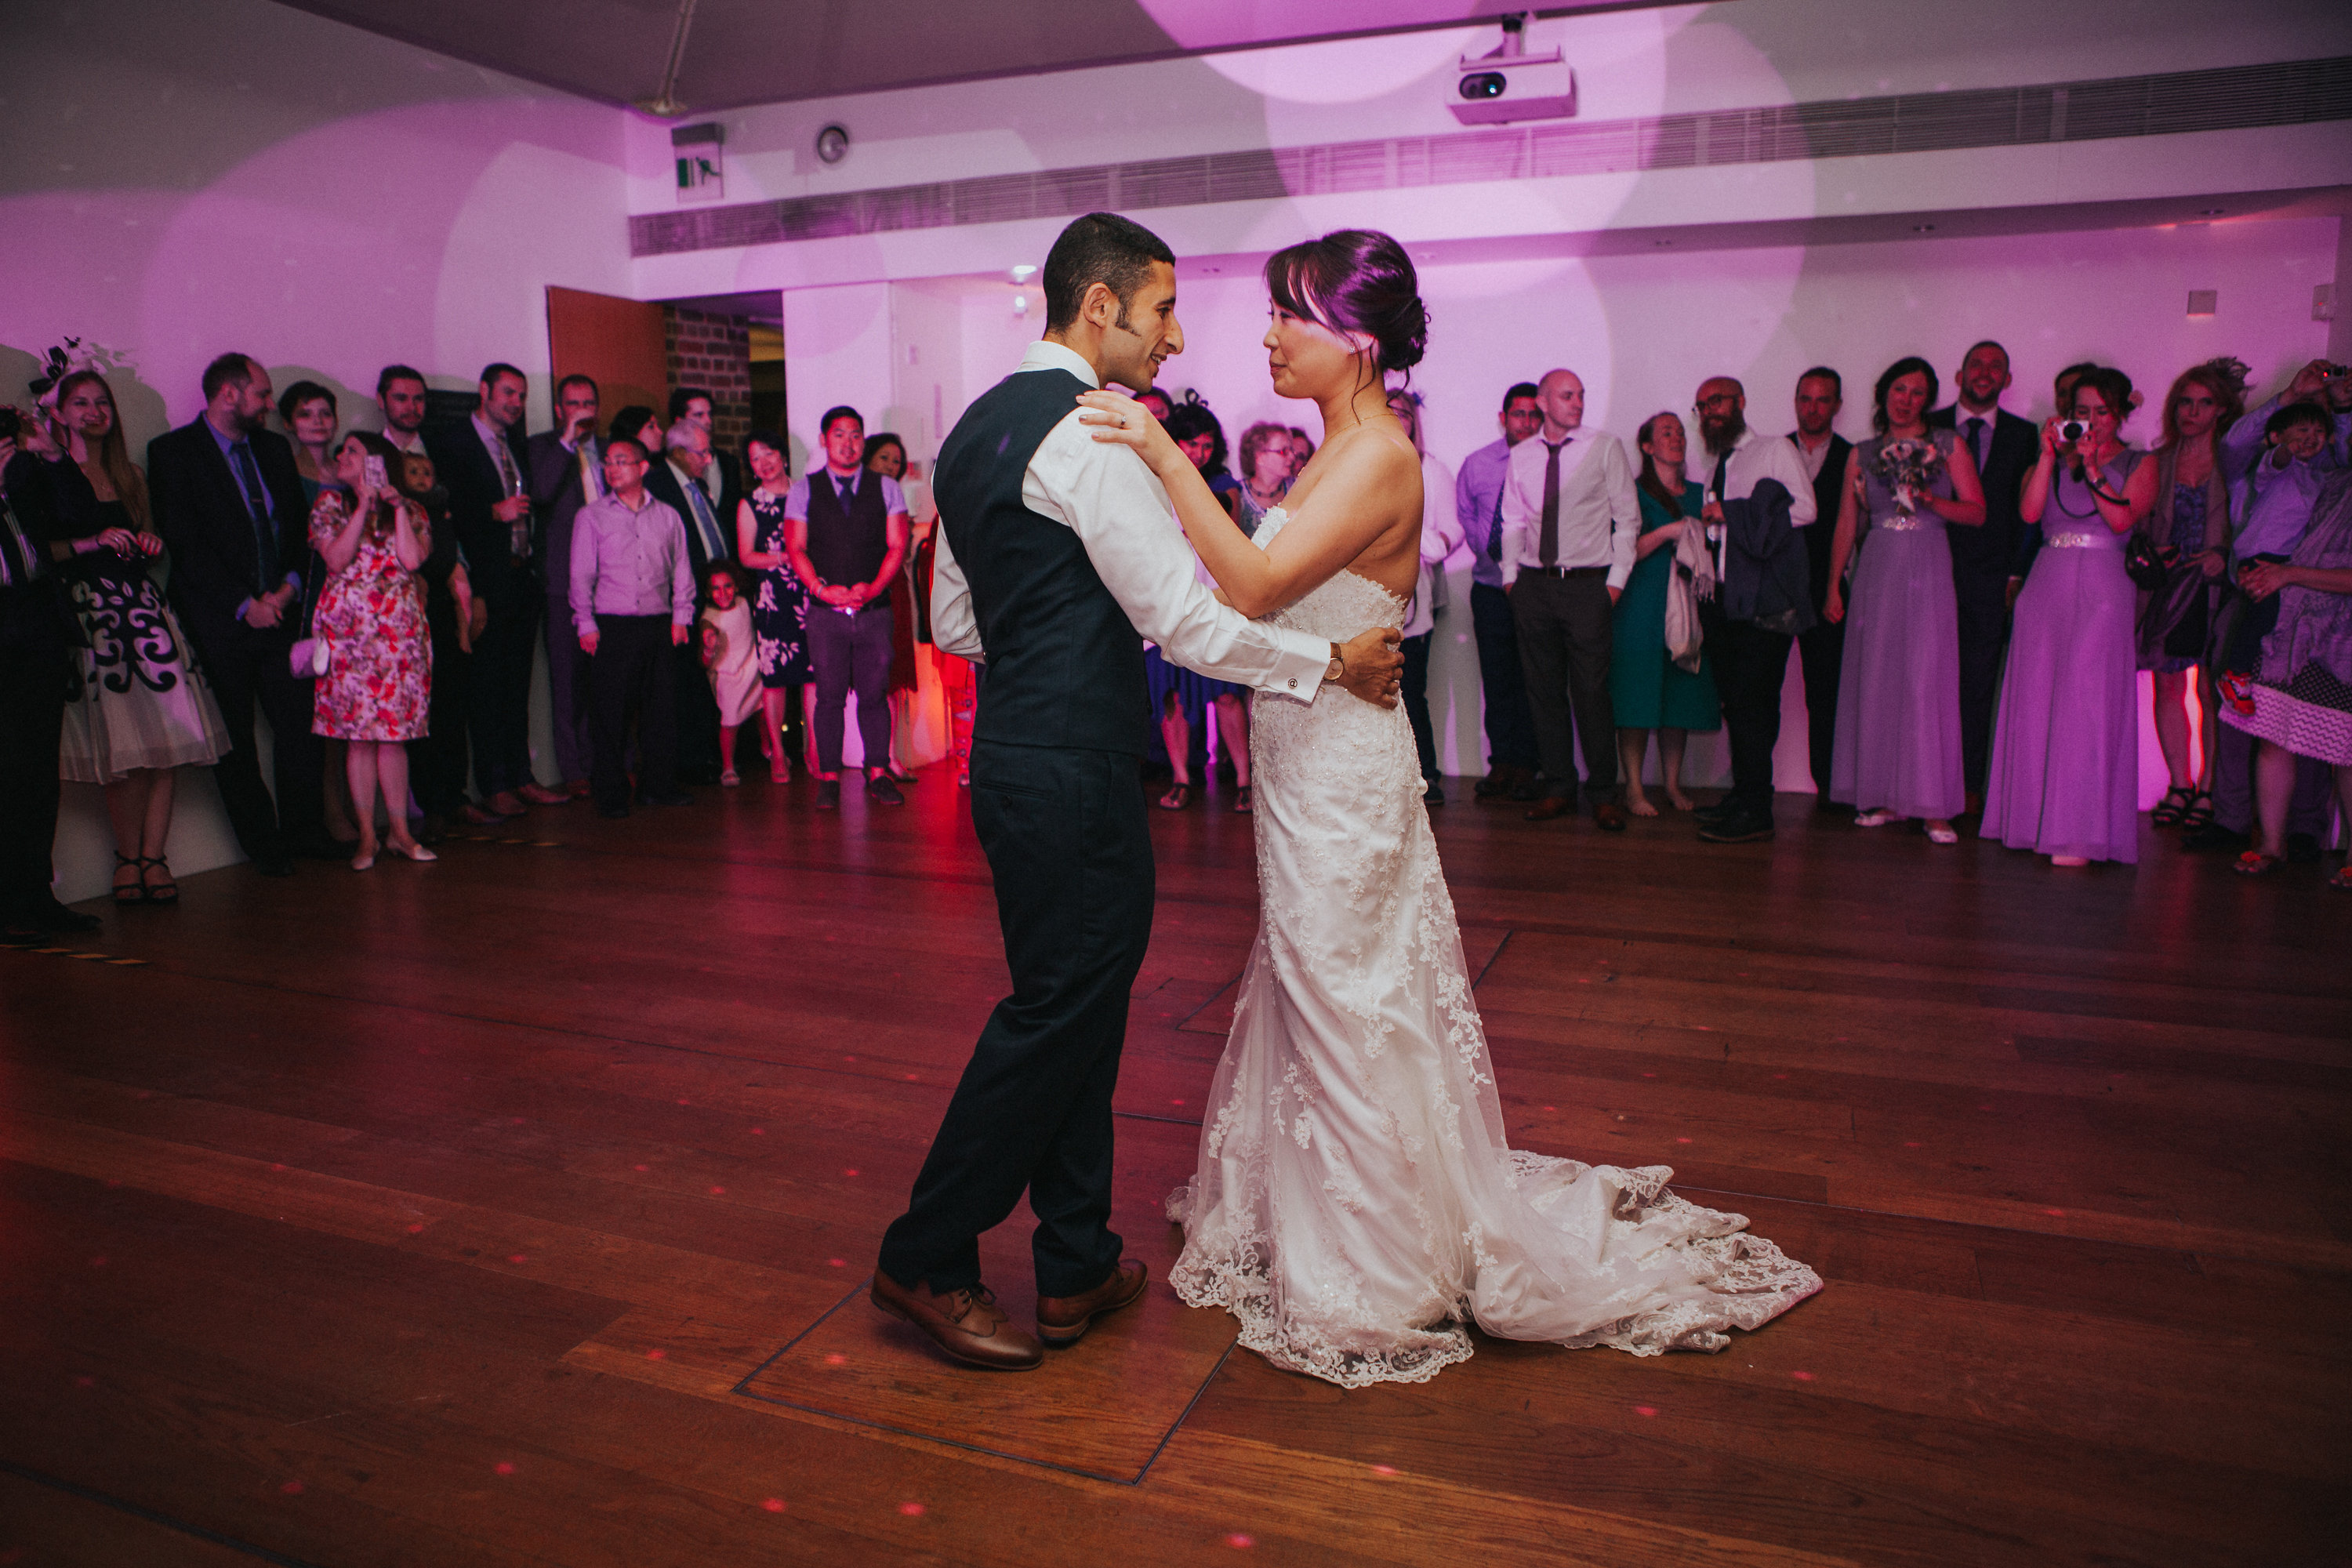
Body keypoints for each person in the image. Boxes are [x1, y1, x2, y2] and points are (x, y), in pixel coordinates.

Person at [1080, 226, 1818, 1387]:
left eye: (1291, 315)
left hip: (1341, 773)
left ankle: (1378, 1265)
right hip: (1303, 744)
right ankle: (1323, 1211)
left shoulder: (1377, 455)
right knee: (1315, 982)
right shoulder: (1335, 445)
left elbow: (1261, 582)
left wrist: (1167, 456)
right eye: (1271, 312)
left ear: (1359, 341)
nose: (1267, 334)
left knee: (1346, 994)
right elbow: (1263, 595)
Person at [873, 211, 1404, 1372]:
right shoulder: (1090, 433)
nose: (1175, 339)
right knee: (1059, 1012)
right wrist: (1329, 664)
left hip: (1009, 763)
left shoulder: (969, 433)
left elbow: (957, 621)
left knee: (1077, 1003)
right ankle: (926, 1249)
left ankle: (1073, 1265)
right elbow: (1187, 621)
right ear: (1101, 307)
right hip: (1075, 769)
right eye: (1163, 310)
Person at [14, 374, 227, 905]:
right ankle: (128, 859)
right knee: (125, 749)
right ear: (58, 413)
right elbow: (39, 553)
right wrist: (91, 542)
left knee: (168, 746)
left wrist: (148, 542)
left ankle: (155, 858)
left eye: (101, 402)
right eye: (80, 402)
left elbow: (147, 542)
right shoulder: (44, 471)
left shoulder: (129, 473)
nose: (93, 411)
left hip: (146, 612)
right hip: (94, 619)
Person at [146, 352, 330, 876]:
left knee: (301, 725)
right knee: (236, 737)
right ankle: (263, 844)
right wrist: (242, 604)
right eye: (264, 394)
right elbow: (184, 540)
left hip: (281, 611)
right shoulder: (174, 453)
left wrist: (287, 591)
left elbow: (298, 531)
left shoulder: (272, 449)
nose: (272, 405)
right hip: (219, 619)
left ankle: (305, 831)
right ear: (230, 394)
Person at [1984, 366, 2155, 866]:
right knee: (2037, 696)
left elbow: (2123, 518)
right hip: (2048, 583)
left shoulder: (2142, 463)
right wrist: (2047, 455)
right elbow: (2031, 515)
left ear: (2121, 413)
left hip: (2104, 586)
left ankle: (2078, 831)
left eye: (2103, 412)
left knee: (2088, 702)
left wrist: (2095, 467)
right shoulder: (2054, 462)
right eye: (2083, 412)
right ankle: (2030, 819)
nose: (2094, 421)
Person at [1824, 358, 1987, 844]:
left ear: (1930, 399)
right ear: (1884, 393)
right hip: (1878, 567)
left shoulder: (1947, 445)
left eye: (1918, 392)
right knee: (1879, 677)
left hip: (1929, 564)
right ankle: (1886, 797)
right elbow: (1847, 525)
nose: (1907, 399)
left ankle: (1934, 807)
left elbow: (1977, 513)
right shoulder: (1862, 452)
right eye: (1899, 389)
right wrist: (1834, 584)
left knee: (1926, 678)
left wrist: (1930, 499)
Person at [2196, 369, 2352, 854]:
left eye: (2318, 430)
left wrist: (2342, 410)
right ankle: (2233, 819)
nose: (2309, 439)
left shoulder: (2329, 471)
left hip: (2311, 595)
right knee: (2245, 712)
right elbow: (2249, 448)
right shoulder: (2269, 461)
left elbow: (2342, 457)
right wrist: (2293, 396)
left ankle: (2300, 830)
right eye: (2299, 428)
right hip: (2258, 576)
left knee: (2304, 717)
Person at [1499, 367, 1636, 829]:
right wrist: (1511, 578)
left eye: (1580, 394)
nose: (1577, 402)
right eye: (1566, 395)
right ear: (1542, 402)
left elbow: (1628, 520)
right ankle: (1559, 786)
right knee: (1543, 692)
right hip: (1534, 585)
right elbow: (1513, 520)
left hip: (1587, 585)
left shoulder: (1604, 448)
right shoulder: (1521, 455)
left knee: (1593, 692)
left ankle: (1603, 793)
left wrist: (1614, 583)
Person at [427, 363, 566, 818]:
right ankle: (494, 784)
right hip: (481, 583)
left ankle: (521, 776)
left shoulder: (516, 446)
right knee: (485, 688)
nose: (516, 403)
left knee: (516, 687)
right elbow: (441, 514)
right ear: (484, 391)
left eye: (522, 396)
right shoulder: (452, 444)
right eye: (508, 393)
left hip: (520, 576)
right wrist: (493, 512)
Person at [1687, 375, 1819, 845]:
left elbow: (1806, 509)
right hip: (1724, 602)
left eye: (1718, 400)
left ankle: (1757, 809)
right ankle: (1745, 797)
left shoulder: (1774, 450)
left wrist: (1733, 512)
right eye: (1702, 405)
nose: (1710, 410)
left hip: (1766, 604)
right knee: (1738, 705)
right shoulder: (1716, 465)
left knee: (1753, 706)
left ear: (1741, 401)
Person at [308, 431, 434, 871]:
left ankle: (400, 833)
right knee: (358, 739)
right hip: (349, 634)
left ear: (379, 461)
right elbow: (336, 560)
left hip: (398, 632)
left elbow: (413, 560)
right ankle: (366, 836)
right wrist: (362, 506)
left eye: (353, 451)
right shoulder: (329, 505)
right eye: (342, 450)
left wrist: (395, 507)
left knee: (394, 738)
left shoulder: (413, 509)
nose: (342, 456)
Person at [1926, 342, 2041, 815]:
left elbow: (2026, 513)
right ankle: (1921, 781)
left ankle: (1968, 786)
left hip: (1991, 578)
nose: (1985, 372)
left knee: (1976, 685)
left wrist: (2017, 572)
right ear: (1959, 375)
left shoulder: (2024, 434)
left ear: (2007, 381)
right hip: (1928, 569)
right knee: (1925, 681)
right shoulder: (1925, 427)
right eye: (1977, 364)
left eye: (1996, 367)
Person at [2220, 470, 2352, 883]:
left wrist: (2289, 574)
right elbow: (2273, 537)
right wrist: (2257, 571)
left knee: (2349, 753)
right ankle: (2271, 845)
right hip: (2293, 627)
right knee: (2275, 737)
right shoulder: (2328, 478)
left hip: (2343, 637)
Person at [2133, 361, 2242, 833]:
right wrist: (2153, 552)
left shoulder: (2236, 460)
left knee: (2213, 688)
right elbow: (2136, 523)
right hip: (2170, 583)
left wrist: (2226, 555)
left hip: (2221, 586)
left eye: (2203, 403)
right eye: (2184, 401)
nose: (2191, 411)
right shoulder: (2157, 462)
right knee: (2168, 683)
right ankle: (2180, 784)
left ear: (2221, 410)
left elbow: (2259, 523)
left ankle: (2212, 788)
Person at [786, 405, 910, 809]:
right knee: (829, 697)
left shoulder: (887, 488)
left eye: (856, 434)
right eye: (839, 434)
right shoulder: (803, 489)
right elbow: (796, 548)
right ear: (824, 440)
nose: (848, 442)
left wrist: (873, 587)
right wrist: (822, 591)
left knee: (874, 695)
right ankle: (829, 777)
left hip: (874, 611)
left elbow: (897, 545)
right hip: (825, 613)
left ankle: (878, 771)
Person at [0, 426, 96, 934]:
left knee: (37, 772)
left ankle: (35, 898)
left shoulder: (22, 471)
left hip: (35, 621)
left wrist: (53, 454)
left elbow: (80, 513)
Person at [571, 435, 694, 818]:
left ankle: (657, 787)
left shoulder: (668, 515)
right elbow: (580, 575)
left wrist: (681, 616)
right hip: (612, 625)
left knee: (661, 711)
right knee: (610, 713)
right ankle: (610, 793)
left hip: (658, 624)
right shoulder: (591, 516)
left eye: (621, 461)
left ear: (643, 468)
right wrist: (585, 622)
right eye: (608, 462)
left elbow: (681, 569)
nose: (611, 468)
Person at [1611, 411, 1719, 816]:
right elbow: (1623, 551)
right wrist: (1668, 533)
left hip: (1688, 610)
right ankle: (1635, 789)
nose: (1676, 438)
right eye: (1666, 432)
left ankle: (1672, 784)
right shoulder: (1633, 493)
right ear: (1647, 446)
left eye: (1679, 432)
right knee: (1635, 697)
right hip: (1640, 606)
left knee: (1680, 697)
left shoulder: (1700, 493)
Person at [1454, 382, 1544, 799]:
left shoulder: (1551, 461)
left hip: (1537, 590)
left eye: (1533, 415)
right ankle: (1502, 763)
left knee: (1536, 680)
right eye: (1518, 414)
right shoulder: (1478, 464)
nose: (1525, 422)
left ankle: (1531, 766)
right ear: (1503, 416)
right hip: (1490, 588)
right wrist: (1488, 550)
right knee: (1497, 678)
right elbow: (1468, 514)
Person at [648, 421, 738, 786]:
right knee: (682, 683)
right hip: (680, 599)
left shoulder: (697, 486)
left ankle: (709, 756)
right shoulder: (658, 486)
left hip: (714, 595)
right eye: (702, 453)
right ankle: (687, 762)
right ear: (682, 454)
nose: (708, 459)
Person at [528, 373, 604, 800]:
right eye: (574, 404)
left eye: (589, 403)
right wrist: (567, 442)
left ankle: (610, 760)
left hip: (611, 581)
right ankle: (575, 767)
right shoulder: (542, 447)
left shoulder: (612, 450)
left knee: (607, 678)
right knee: (568, 679)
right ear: (560, 409)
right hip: (562, 580)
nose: (583, 411)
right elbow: (538, 492)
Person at [394, 445, 472, 844]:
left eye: (427, 471)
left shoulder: (441, 517)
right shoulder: (398, 517)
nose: (423, 479)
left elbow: (455, 570)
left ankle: (454, 795)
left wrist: (463, 627)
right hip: (410, 619)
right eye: (413, 472)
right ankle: (431, 805)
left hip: (441, 615)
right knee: (421, 719)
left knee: (451, 711)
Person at [1389, 388, 1463, 804]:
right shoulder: (1366, 464)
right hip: (1367, 593)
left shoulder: (1431, 469)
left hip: (1415, 594)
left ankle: (1426, 774)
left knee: (1411, 688)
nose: (1397, 419)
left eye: (1404, 413)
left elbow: (1451, 533)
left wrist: (1413, 539)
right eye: (1389, 411)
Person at [1788, 368, 1853, 803]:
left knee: (1826, 691)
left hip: (1827, 587)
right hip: (1775, 589)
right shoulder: (1771, 452)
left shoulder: (1853, 455)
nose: (1813, 408)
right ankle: (1750, 784)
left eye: (1822, 400)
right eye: (1805, 399)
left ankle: (1828, 786)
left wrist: (1835, 586)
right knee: (1758, 693)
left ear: (1837, 406)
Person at [735, 431, 810, 784]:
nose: (763, 463)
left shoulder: (807, 493)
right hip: (773, 597)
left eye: (768, 454)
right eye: (755, 458)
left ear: (782, 456)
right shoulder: (750, 503)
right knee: (775, 678)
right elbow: (746, 556)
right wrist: (785, 557)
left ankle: (813, 749)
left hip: (809, 592)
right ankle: (778, 753)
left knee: (813, 676)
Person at [865, 431, 924, 784]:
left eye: (896, 461)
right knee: (878, 676)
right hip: (871, 590)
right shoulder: (857, 495)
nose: (891, 465)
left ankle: (893, 755)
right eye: (884, 457)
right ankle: (881, 758)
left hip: (897, 589)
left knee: (897, 671)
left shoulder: (896, 495)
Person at [698, 563, 760, 786]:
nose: (722, 593)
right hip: (728, 674)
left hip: (751, 664)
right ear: (707, 592)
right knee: (730, 721)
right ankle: (728, 766)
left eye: (728, 586)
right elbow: (705, 662)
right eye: (716, 588)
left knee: (761, 706)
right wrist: (709, 646)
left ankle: (769, 748)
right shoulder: (709, 617)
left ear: (736, 586)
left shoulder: (744, 603)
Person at [669, 385, 742, 519]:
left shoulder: (729, 463)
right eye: (699, 415)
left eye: (710, 414)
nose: (708, 421)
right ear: (679, 422)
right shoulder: (666, 467)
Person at [278, 381, 339, 503]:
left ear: (336, 422)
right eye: (305, 415)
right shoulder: (284, 473)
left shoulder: (348, 472)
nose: (318, 421)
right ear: (288, 423)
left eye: (326, 414)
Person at [376, 365, 430, 458]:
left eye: (419, 399)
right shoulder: (366, 450)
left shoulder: (448, 453)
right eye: (401, 399)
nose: (412, 408)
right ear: (381, 401)